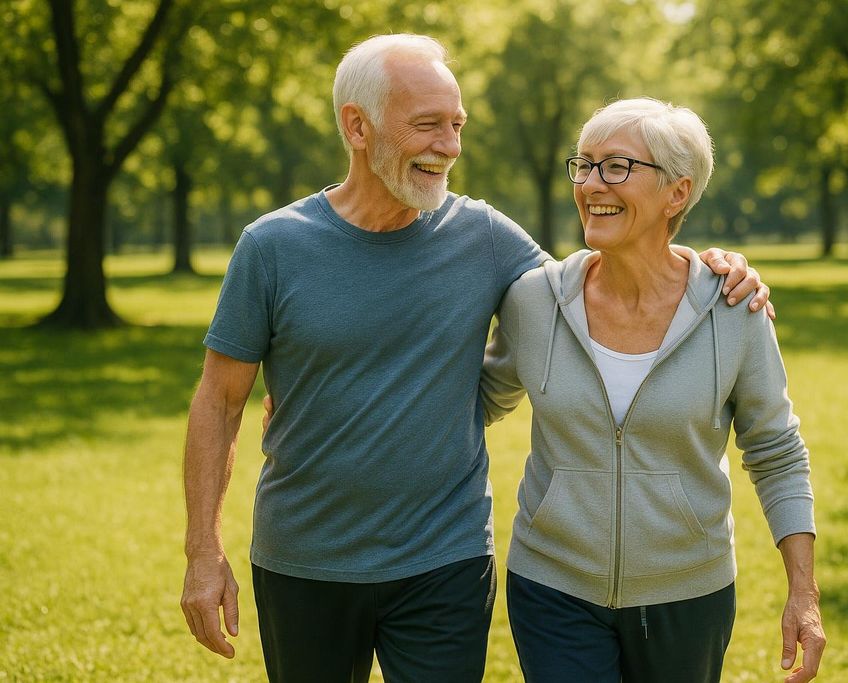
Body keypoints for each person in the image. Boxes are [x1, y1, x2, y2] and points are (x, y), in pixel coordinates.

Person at [180, 35, 771, 683]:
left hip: (446, 557)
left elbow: (597, 282)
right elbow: (219, 399)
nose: (451, 145)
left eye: (457, 125)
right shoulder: (272, 247)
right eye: (428, 124)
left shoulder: (485, 238)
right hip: (304, 556)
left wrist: (707, 270)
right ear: (357, 125)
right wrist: (203, 550)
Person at [480, 97, 825, 683]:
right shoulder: (534, 301)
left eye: (617, 166)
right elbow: (474, 399)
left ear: (677, 192)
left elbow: (776, 451)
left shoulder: (734, 309)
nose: (592, 184)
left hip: (688, 590)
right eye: (584, 165)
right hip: (552, 584)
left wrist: (804, 591)